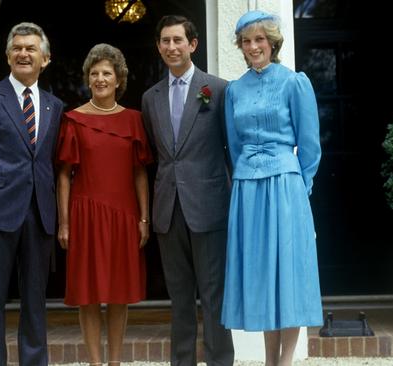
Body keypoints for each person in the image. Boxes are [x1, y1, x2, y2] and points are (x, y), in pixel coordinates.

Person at [221, 10, 323, 366]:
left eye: (259, 39)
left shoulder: (294, 82)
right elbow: (234, 146)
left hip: (285, 187)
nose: (253, 47)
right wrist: (246, 175)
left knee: (289, 273)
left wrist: (299, 186)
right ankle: (268, 360)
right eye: (247, 41)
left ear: (273, 42)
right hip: (248, 189)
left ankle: (286, 361)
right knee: (264, 273)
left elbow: (310, 146)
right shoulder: (234, 90)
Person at [0, 22, 63, 366]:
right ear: (7, 56)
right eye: (17, 48)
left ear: (44, 59)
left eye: (31, 48)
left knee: (35, 299)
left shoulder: (54, 106)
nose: (23, 53)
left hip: (39, 213)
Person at [141, 15, 234, 366]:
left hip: (210, 207)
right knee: (179, 298)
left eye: (178, 40)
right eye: (165, 41)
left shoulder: (219, 89)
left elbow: (231, 149)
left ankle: (220, 361)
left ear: (193, 44)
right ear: (159, 46)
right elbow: (157, 154)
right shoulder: (150, 98)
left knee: (214, 296)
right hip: (168, 209)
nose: (171, 47)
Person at [56, 43, 152, 366]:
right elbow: (65, 176)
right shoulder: (73, 120)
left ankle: (115, 362)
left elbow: (140, 173)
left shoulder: (134, 120)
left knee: (119, 294)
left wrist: (144, 218)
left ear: (119, 78)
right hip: (85, 216)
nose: (100, 79)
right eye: (94, 73)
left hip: (124, 216)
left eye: (106, 73)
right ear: (87, 78)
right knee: (88, 295)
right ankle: (95, 363)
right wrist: (65, 222)